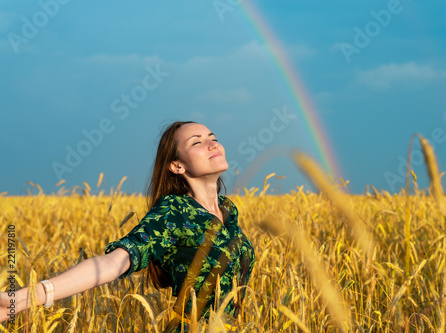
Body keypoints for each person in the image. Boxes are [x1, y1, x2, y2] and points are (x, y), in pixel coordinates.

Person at [0, 121, 255, 332]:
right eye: (197, 142)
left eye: (213, 137)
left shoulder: (228, 210)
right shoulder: (173, 212)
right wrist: (25, 297)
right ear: (177, 166)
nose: (212, 144)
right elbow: (113, 263)